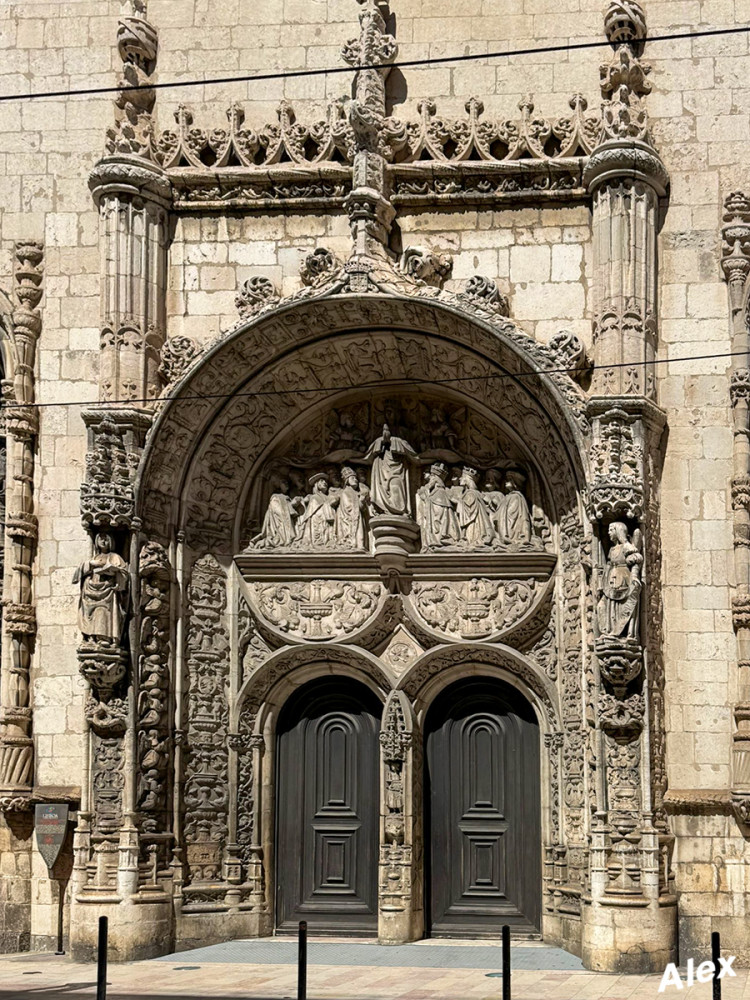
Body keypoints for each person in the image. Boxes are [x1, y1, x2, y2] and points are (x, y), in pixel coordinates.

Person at [73, 531, 129, 644]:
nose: (103, 541)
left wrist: (114, 573)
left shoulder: (114, 557)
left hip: (107, 592)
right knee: (90, 614)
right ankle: (90, 637)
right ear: (96, 541)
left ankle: (104, 638)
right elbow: (78, 574)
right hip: (90, 590)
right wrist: (91, 564)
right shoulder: (94, 557)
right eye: (101, 539)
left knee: (102, 611)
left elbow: (124, 574)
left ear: (111, 542)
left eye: (106, 539)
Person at [597, 521, 643, 639]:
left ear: (618, 532)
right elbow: (608, 565)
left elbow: (636, 561)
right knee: (605, 606)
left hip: (624, 579)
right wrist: (601, 583)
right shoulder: (612, 549)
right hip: (612, 580)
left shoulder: (626, 547)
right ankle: (609, 630)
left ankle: (620, 633)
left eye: (611, 530)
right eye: (608, 530)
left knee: (622, 605)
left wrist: (634, 577)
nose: (609, 532)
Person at [364, 423, 417, 516]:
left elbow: (415, 457)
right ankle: (382, 510)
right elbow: (367, 457)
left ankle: (399, 511)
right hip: (382, 465)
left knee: (396, 485)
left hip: (397, 468)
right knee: (383, 487)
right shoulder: (378, 437)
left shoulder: (401, 433)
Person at [416, 463, 461, 549]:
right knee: (444, 518)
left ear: (433, 474)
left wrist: (421, 491)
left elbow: (428, 487)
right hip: (441, 498)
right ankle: (445, 536)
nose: (424, 474)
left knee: (437, 519)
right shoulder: (440, 482)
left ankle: (438, 539)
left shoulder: (435, 478)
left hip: (437, 499)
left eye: (426, 472)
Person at [249, 478, 297, 549]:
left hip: (286, 523)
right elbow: (280, 513)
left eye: (288, 483)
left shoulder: (287, 498)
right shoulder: (276, 497)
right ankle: (284, 540)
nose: (287, 485)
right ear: (279, 485)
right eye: (284, 482)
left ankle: (286, 540)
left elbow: (291, 512)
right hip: (279, 523)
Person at [295, 473, 339, 549]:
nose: (324, 483)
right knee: (317, 539)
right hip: (316, 522)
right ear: (316, 484)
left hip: (327, 522)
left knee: (326, 536)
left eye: (325, 482)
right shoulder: (313, 497)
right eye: (321, 481)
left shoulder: (328, 497)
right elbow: (308, 513)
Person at [453, 466, 494, 547]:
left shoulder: (470, 493)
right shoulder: (476, 493)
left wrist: (456, 501)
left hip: (474, 523)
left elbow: (470, 511)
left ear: (466, 479)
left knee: (472, 540)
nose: (460, 478)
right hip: (474, 522)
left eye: (462, 477)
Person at [496, 468, 532, 545]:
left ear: (514, 482)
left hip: (512, 527)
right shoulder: (508, 496)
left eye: (508, 480)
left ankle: (512, 538)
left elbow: (516, 515)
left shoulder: (516, 497)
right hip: (506, 524)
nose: (506, 482)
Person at [336, 465, 369, 549]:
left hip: (357, 517)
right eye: (352, 478)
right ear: (347, 481)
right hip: (349, 521)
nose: (356, 480)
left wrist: (362, 500)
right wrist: (360, 500)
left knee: (361, 534)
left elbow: (361, 508)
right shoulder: (345, 492)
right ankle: (356, 546)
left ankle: (360, 546)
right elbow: (349, 507)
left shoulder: (356, 492)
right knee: (358, 533)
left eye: (356, 478)